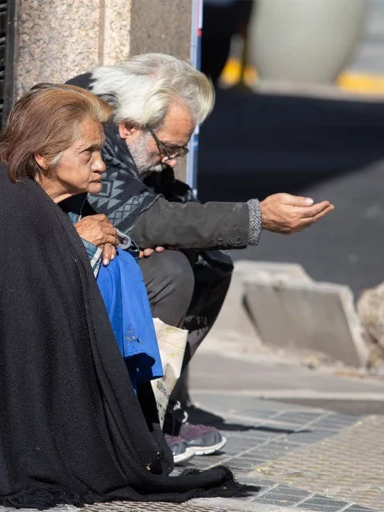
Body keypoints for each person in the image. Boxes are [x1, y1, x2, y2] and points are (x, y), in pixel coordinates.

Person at [0, 83, 253, 509]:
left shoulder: (43, 193)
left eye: (101, 150)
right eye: (89, 153)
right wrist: (74, 242)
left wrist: (85, 239)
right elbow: (8, 305)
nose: (101, 165)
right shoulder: (1, 199)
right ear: (44, 155)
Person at [67, 54, 334, 455]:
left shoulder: (129, 117)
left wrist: (164, 228)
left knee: (209, 262)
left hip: (90, 251)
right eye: (169, 149)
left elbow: (160, 201)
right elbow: (142, 217)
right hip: (49, 266)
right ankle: (130, 421)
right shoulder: (85, 126)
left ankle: (158, 407)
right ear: (129, 127)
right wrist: (256, 216)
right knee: (170, 272)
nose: (173, 160)